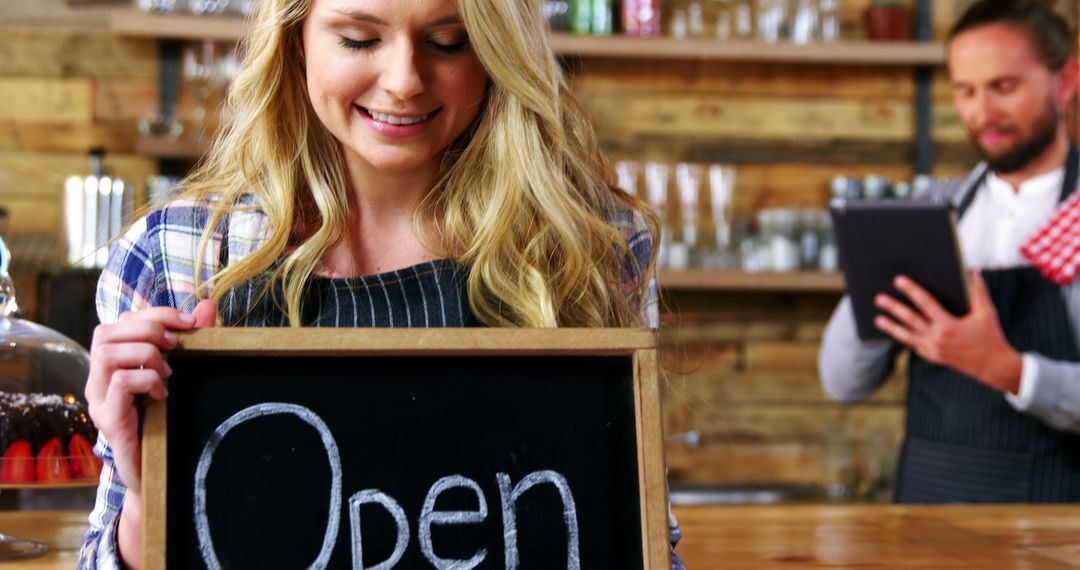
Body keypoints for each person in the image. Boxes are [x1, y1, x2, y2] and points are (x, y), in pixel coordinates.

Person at [77, 0, 685, 567]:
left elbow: (644, 544)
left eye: (449, 42)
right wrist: (144, 491)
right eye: (359, 39)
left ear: (497, 55)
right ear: (295, 42)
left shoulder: (589, 246)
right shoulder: (178, 253)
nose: (404, 80)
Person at [819, 0, 1080, 504]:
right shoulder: (932, 213)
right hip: (926, 516)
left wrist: (1008, 369)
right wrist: (874, 266)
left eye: (1004, 87)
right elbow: (842, 382)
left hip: (1059, 526)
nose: (982, 114)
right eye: (966, 91)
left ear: (1065, 82)